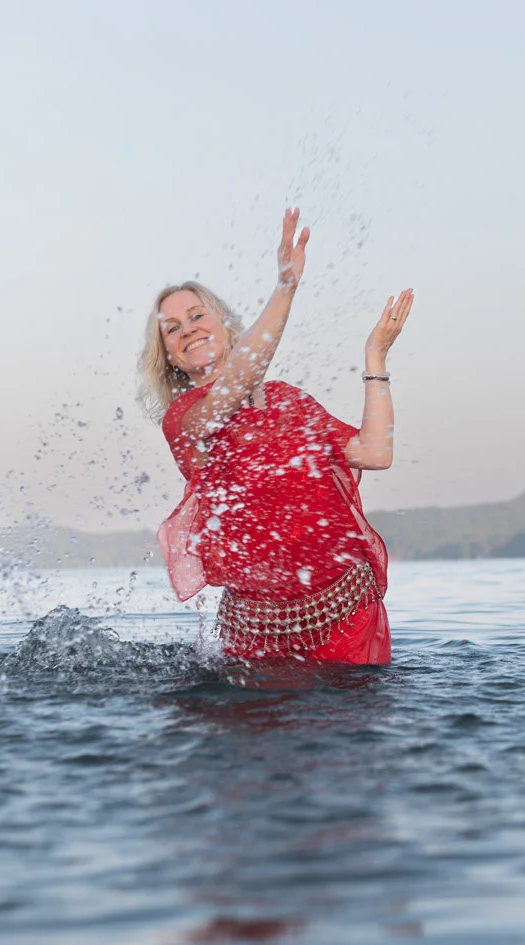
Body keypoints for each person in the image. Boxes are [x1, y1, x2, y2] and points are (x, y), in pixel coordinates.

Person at [139, 208, 413, 666]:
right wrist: (286, 287)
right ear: (169, 356)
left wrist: (376, 357)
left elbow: (374, 452)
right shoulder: (185, 418)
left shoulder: (290, 401)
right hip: (255, 631)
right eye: (172, 329)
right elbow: (240, 378)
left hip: (346, 614)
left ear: (226, 327)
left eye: (196, 315)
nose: (188, 329)